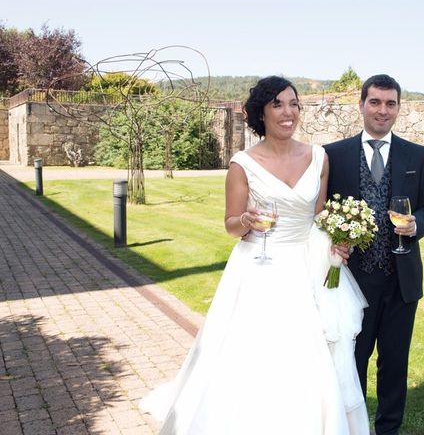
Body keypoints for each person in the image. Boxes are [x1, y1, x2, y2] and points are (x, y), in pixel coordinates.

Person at [140, 76, 369, 434]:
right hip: (258, 269)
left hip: (307, 269)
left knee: (308, 358)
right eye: (277, 104)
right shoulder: (242, 164)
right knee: (255, 358)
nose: (288, 111)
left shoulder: (319, 158)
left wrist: (336, 241)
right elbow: (230, 224)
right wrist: (246, 219)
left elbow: (319, 218)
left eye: (294, 103)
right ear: (261, 113)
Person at [325, 74, 424, 435]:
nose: (382, 110)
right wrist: (331, 241)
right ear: (361, 105)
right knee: (351, 361)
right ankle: (352, 428)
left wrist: (416, 224)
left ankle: (388, 430)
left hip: (401, 280)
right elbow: (319, 213)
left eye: (390, 103)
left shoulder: (416, 155)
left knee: (394, 365)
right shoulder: (333, 154)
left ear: (398, 108)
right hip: (352, 281)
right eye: (375, 102)